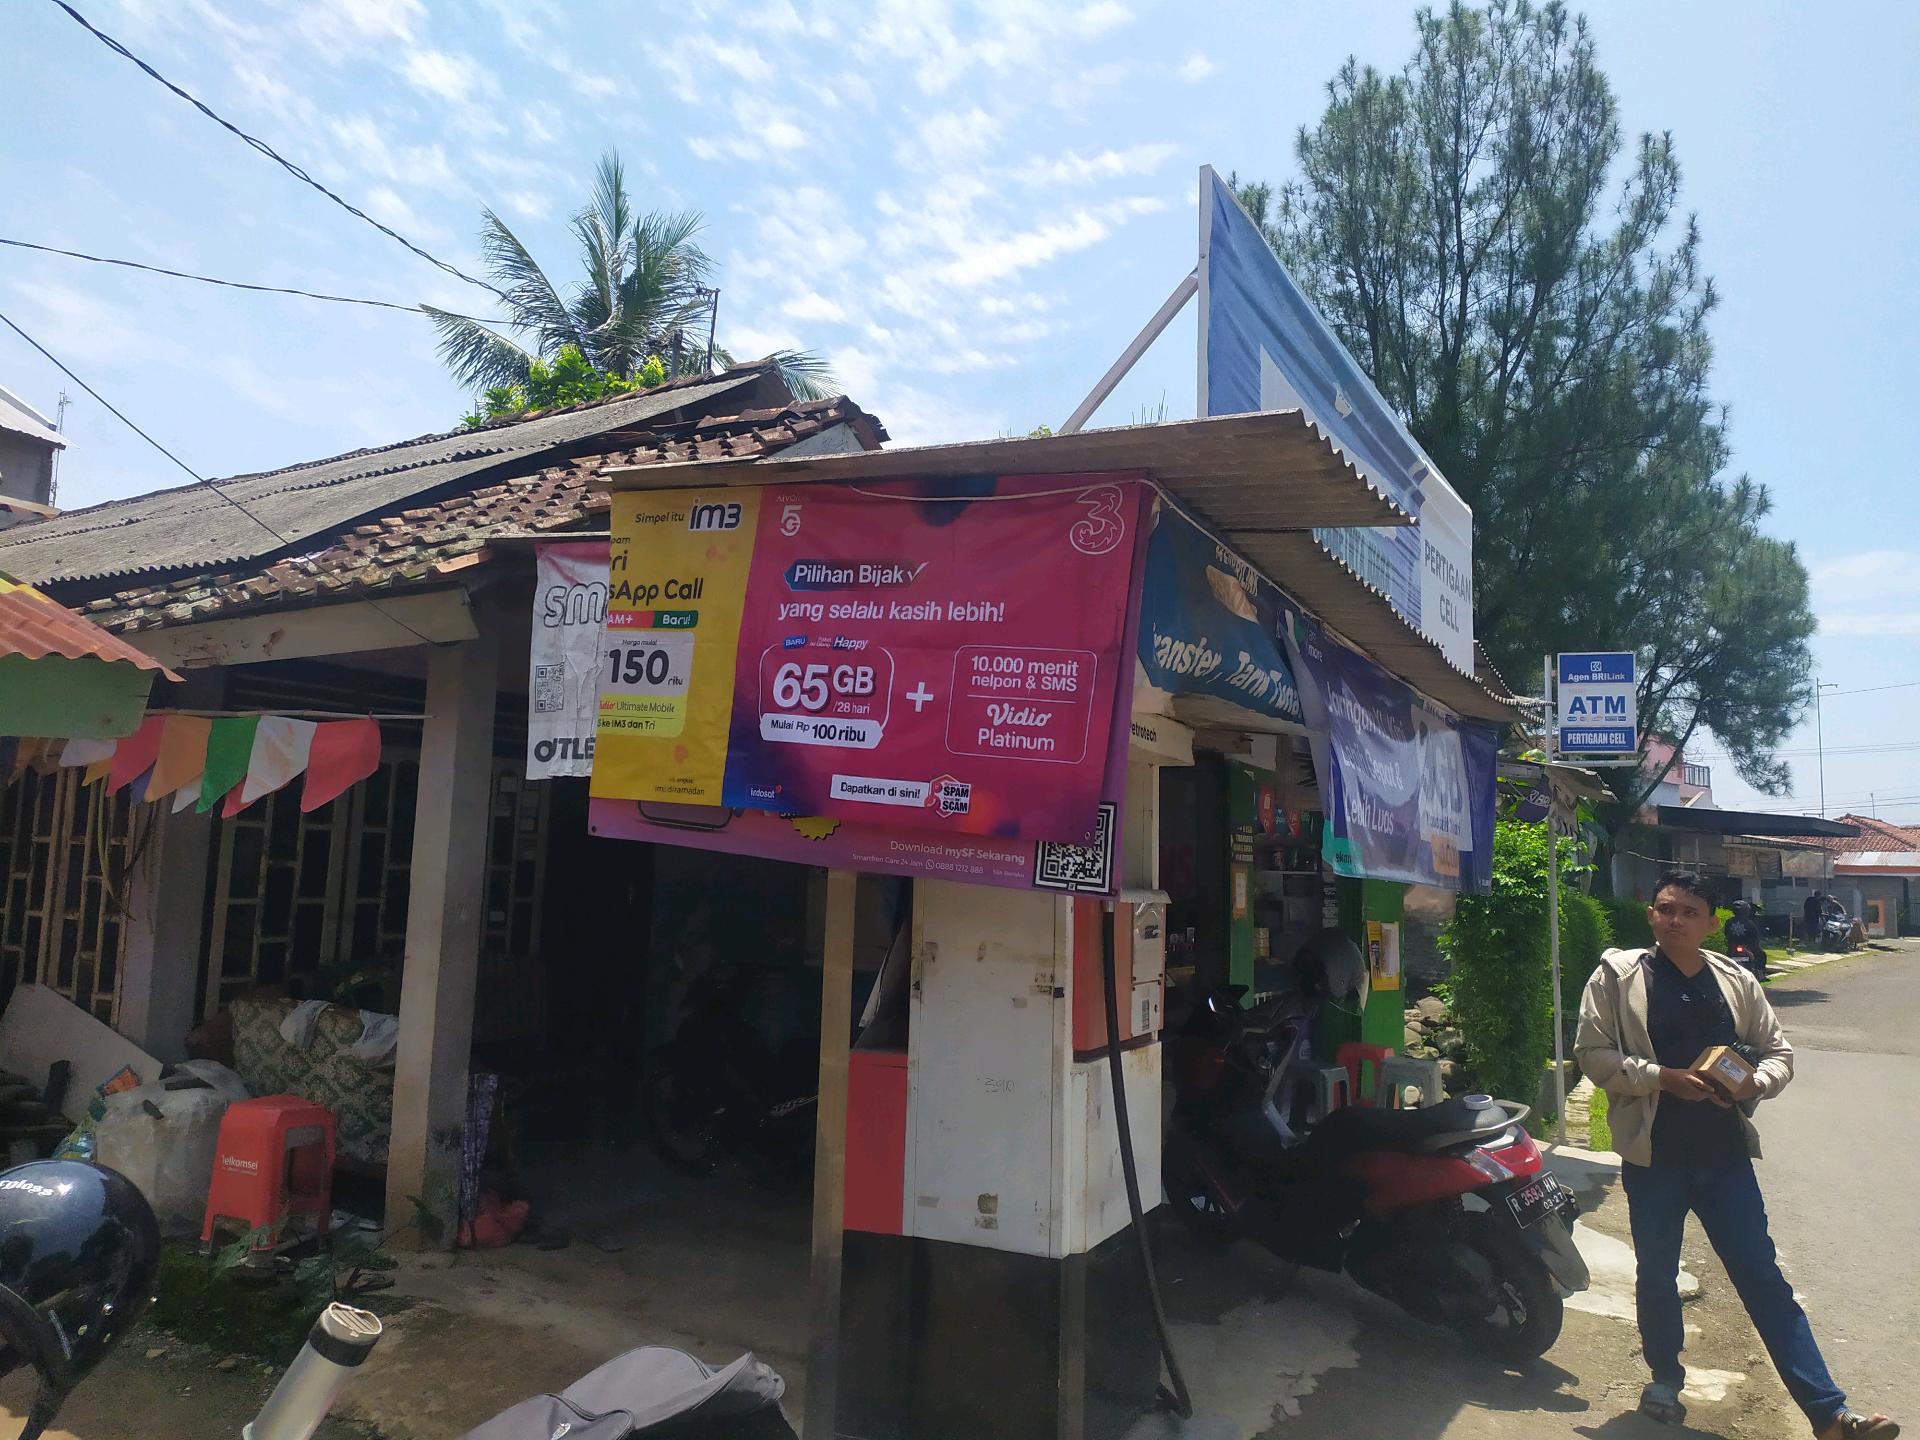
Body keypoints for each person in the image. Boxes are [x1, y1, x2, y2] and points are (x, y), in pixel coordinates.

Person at [1575, 871, 1898, 1438]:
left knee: (1762, 1278)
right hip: (1654, 1158)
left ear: (1711, 922)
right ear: (1651, 915)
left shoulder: (1735, 979)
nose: (1674, 920)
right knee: (1657, 1275)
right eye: (1665, 909)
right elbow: (1592, 1054)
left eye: (1689, 912)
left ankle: (1828, 1414)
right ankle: (1664, 1380)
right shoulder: (1618, 976)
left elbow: (1778, 1053)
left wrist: (1756, 1084)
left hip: (1725, 1159)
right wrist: (1662, 1078)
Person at [1723, 899, 1767, 981]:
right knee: (1762, 955)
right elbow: (1755, 936)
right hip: (1748, 946)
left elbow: (1726, 934)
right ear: (1746, 910)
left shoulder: (1728, 922)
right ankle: (1761, 974)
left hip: (1733, 947)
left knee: (1727, 957)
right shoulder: (1750, 923)